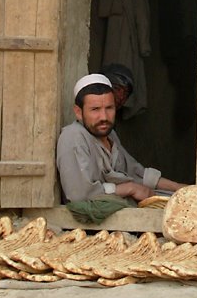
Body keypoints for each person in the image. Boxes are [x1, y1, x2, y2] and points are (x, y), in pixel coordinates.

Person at [56, 73, 186, 203]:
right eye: (95, 109)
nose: (104, 117)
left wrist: (180, 188)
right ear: (79, 112)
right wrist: (129, 188)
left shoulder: (110, 135)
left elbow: (136, 173)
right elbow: (80, 194)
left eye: (109, 108)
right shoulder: (73, 137)